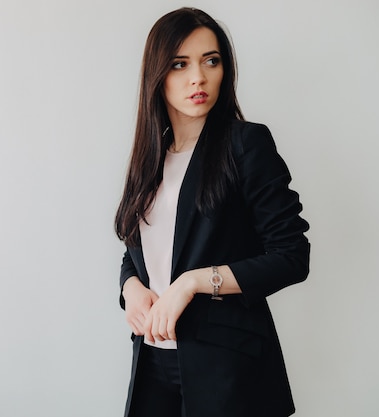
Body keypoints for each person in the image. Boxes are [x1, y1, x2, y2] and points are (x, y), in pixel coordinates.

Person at [114, 7, 310, 417]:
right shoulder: (149, 161)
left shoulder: (246, 144)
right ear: (157, 75)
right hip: (152, 362)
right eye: (179, 64)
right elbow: (143, 251)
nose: (198, 78)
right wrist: (130, 287)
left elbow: (291, 256)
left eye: (211, 61)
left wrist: (193, 283)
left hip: (227, 369)